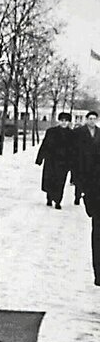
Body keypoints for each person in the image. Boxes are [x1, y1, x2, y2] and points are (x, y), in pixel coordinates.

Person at [74, 110, 100, 285]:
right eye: (89, 118)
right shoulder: (80, 134)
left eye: (94, 119)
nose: (92, 121)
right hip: (93, 191)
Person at [35, 111, 74, 208]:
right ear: (59, 121)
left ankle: (58, 201)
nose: (64, 122)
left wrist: (73, 163)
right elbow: (44, 145)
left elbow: (74, 150)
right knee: (50, 180)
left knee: (60, 182)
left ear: (69, 122)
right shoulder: (51, 131)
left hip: (64, 163)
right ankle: (49, 197)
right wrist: (39, 158)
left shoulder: (72, 134)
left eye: (66, 121)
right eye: (62, 120)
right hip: (51, 160)